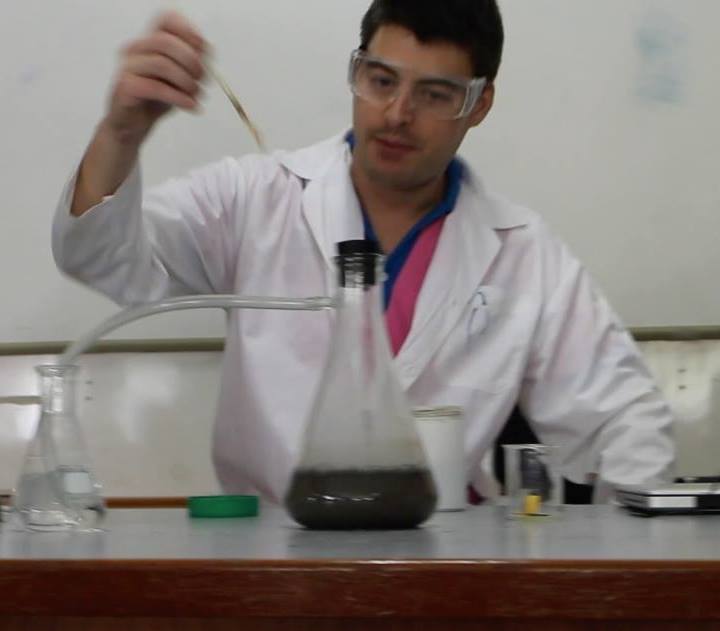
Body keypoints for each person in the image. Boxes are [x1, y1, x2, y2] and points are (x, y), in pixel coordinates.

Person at [52, 0, 675, 502]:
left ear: (478, 103)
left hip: (448, 570)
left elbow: (625, 421)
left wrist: (623, 568)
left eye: (435, 94)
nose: (397, 114)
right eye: (381, 81)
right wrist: (122, 131)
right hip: (273, 561)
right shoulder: (256, 199)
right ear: (357, 71)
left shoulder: (522, 254)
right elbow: (101, 256)